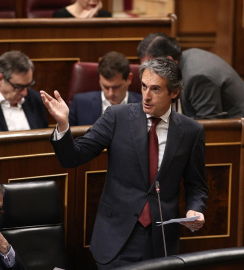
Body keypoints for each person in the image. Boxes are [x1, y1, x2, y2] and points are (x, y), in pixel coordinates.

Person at [40, 57, 208, 269]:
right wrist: (63, 124)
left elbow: (197, 185)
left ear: (174, 93)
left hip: (161, 241)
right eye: (144, 87)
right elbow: (72, 157)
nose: (146, 96)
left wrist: (195, 209)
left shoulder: (191, 131)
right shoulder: (116, 117)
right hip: (116, 238)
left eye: (155, 89)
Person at [137, 32, 244, 119]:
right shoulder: (186, 57)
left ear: (169, 60)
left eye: (153, 66)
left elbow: (209, 124)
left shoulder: (197, 77)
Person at [0, 50, 48, 134]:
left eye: (28, 85)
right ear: (0, 79)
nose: (25, 93)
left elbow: (44, 140)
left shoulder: (35, 99)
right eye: (18, 87)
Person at [69, 51, 142, 126]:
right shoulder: (80, 103)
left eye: (116, 87)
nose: (110, 93)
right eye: (106, 87)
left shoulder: (143, 105)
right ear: (99, 80)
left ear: (129, 79)